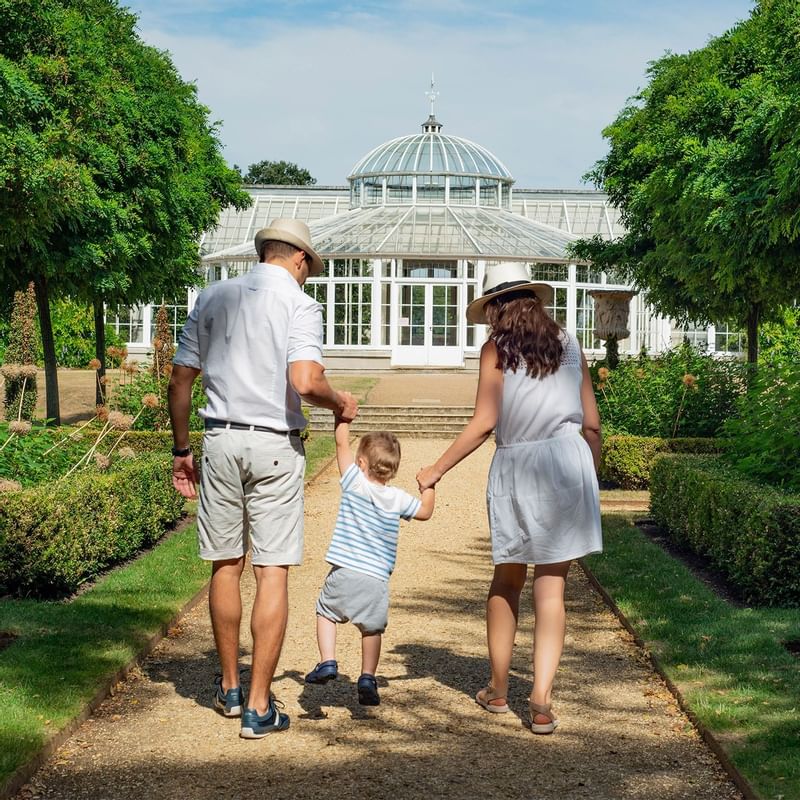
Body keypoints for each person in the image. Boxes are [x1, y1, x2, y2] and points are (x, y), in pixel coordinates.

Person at [168, 218, 358, 739]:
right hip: (274, 444)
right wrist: (340, 401)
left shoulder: (213, 296)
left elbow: (181, 377)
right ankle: (258, 705)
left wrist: (182, 449)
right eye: (309, 269)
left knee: (224, 564)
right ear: (299, 259)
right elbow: (304, 380)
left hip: (220, 439)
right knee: (271, 571)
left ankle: (230, 687)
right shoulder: (297, 303)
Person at [416, 262, 602, 734]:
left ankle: (499, 689)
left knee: (507, 578)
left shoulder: (495, 350)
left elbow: (484, 422)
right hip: (568, 460)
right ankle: (540, 699)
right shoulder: (568, 342)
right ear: (533, 300)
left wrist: (435, 469)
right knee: (552, 586)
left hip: (519, 464)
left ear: (495, 307)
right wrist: (590, 474)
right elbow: (592, 423)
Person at [305, 418, 435, 706]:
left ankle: (328, 660)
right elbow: (425, 512)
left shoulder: (354, 484)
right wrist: (429, 484)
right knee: (372, 628)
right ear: (393, 469)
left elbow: (340, 444)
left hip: (344, 570)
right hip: (376, 579)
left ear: (361, 463)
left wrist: (343, 419)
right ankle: (367, 677)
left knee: (326, 612)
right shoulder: (398, 498)